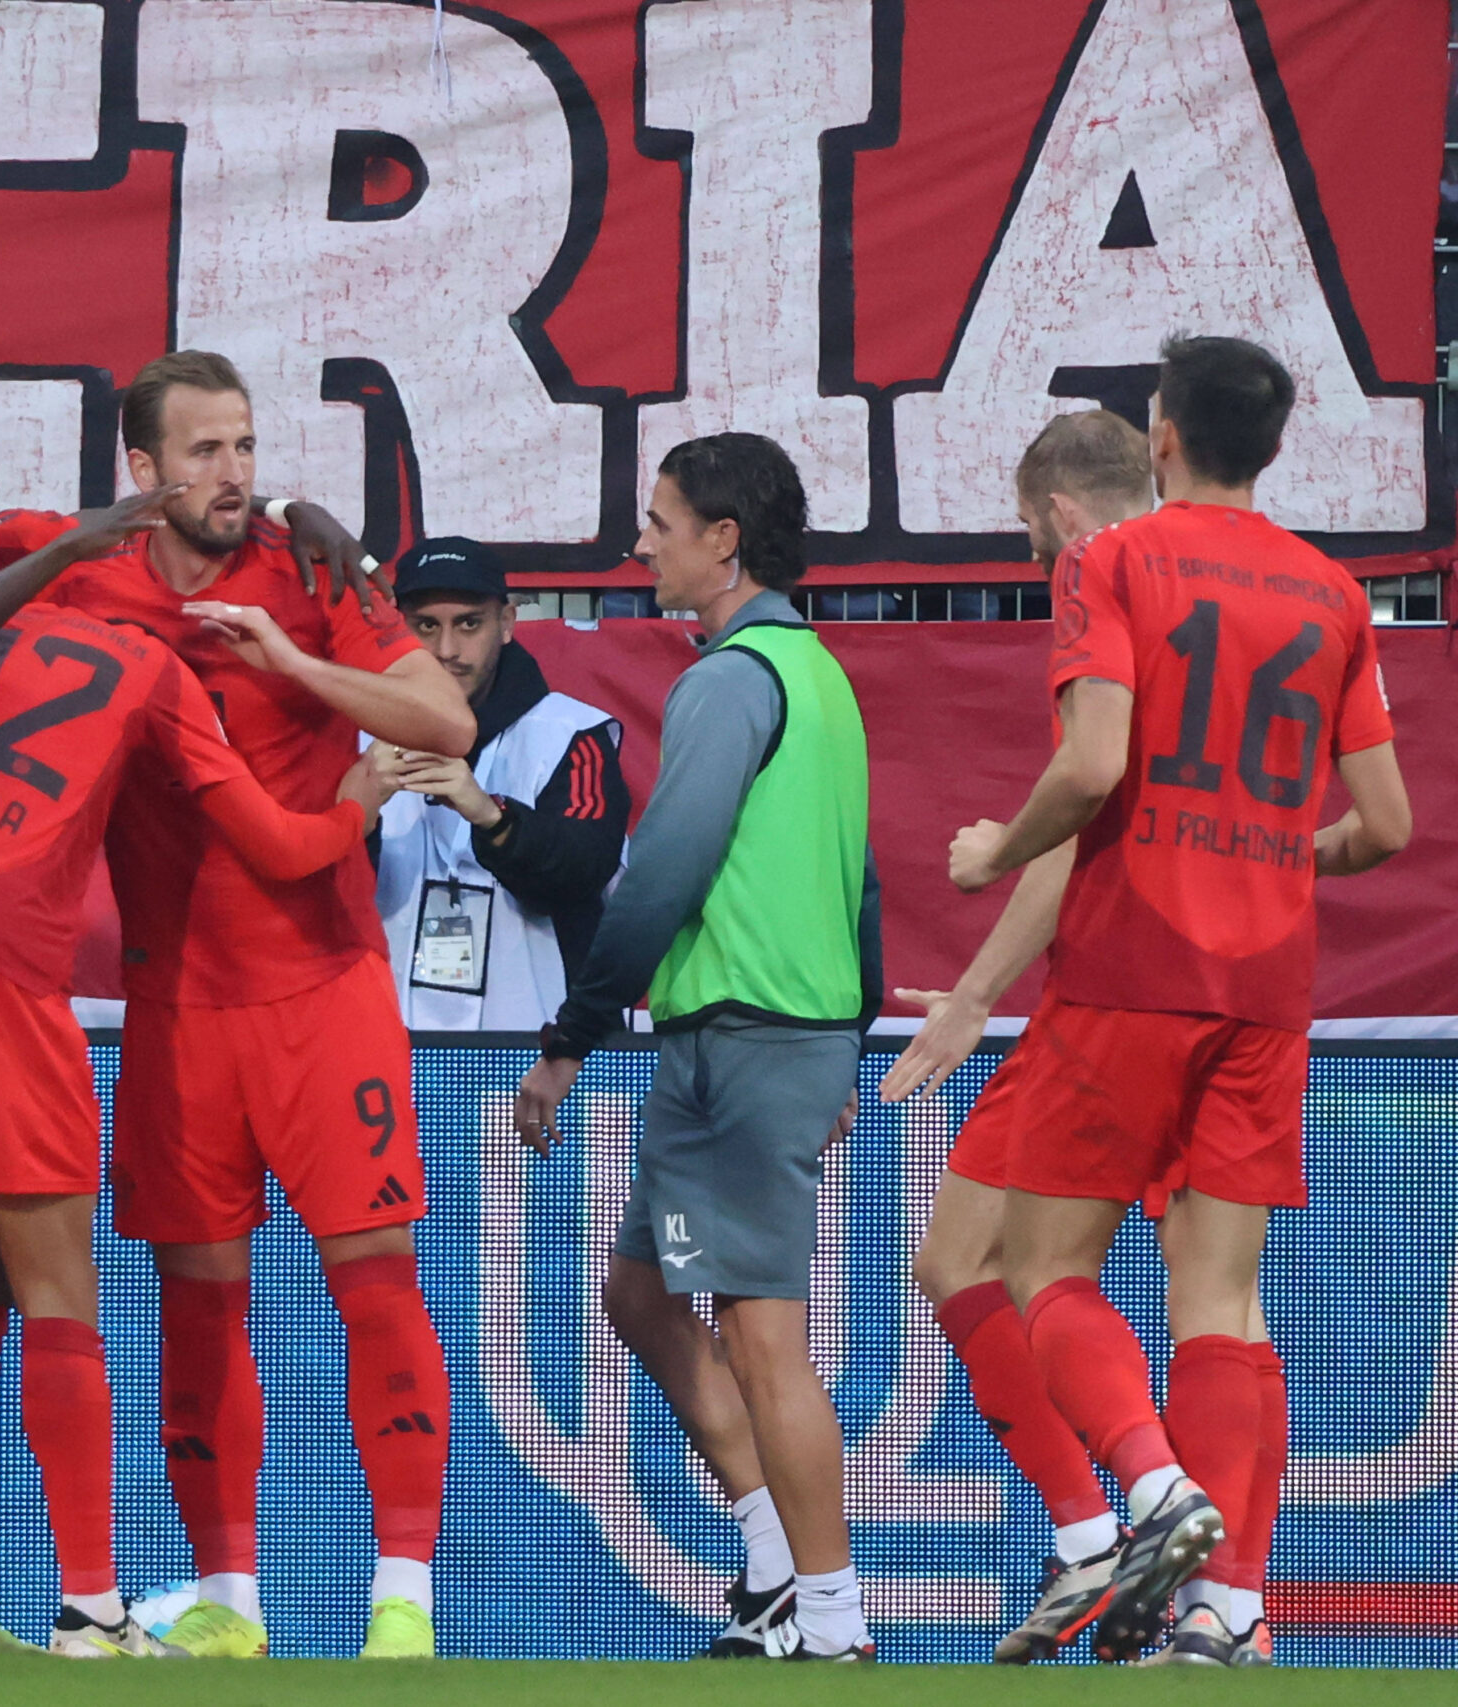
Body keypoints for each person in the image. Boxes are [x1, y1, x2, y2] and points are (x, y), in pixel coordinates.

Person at [0, 379, 382, 1657]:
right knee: (52, 1299)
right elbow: (274, 841)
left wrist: (281, 503)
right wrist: (360, 801)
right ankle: (90, 1610)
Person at [944, 337, 1411, 1666]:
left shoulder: (1115, 561)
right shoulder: (1332, 590)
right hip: (1269, 982)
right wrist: (1282, 847)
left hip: (1136, 960)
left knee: (1042, 1264)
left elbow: (1093, 765)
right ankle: (1232, 1605)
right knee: (1219, 1298)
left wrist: (992, 852)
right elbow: (1386, 821)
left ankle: (1155, 1491)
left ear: (1161, 435)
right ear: (1267, 446)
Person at [46, 351, 475, 1661]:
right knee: (197, 1302)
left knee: (379, 1285)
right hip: (175, 1004)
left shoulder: (307, 570)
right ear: (143, 470)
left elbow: (440, 714)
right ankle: (228, 1600)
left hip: (322, 987)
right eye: (205, 451)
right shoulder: (86, 583)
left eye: (245, 446)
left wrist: (299, 661)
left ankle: (403, 1597)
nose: (234, 473)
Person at [513, 432, 883, 1663]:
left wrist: (570, 1038)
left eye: (660, 521)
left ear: (722, 541)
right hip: (759, 1042)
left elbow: (662, 869)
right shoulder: (815, 674)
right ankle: (779, 1568)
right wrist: (849, 1031)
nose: (643, 543)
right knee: (641, 1293)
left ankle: (830, 1622)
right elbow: (861, 883)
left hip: (748, 1041)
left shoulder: (731, 680)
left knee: (764, 1331)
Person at [876, 410, 1150, 1663]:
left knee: (1000, 1266)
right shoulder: (1245, 583)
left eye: (1032, 528)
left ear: (1065, 516)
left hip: (1116, 999)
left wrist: (978, 987)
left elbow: (1084, 805)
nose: (1036, 553)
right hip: (1227, 988)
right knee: (1206, 1301)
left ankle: (1127, 1533)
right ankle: (1192, 1592)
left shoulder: (1104, 578)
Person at [361, 535, 629, 1030]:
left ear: (506, 623)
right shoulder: (353, 739)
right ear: (398, 629)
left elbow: (584, 871)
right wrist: (361, 811)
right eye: (425, 626)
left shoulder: (572, 733)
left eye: (469, 624)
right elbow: (308, 896)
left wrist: (491, 816)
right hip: (378, 1037)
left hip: (531, 1046)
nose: (446, 650)